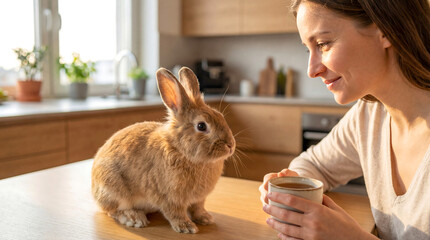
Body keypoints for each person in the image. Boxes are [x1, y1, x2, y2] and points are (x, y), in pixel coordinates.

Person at [259, 0, 430, 239]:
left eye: (323, 44)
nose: (311, 69)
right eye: (308, 49)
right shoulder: (369, 116)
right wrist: (290, 187)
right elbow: (314, 165)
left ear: (385, 29)